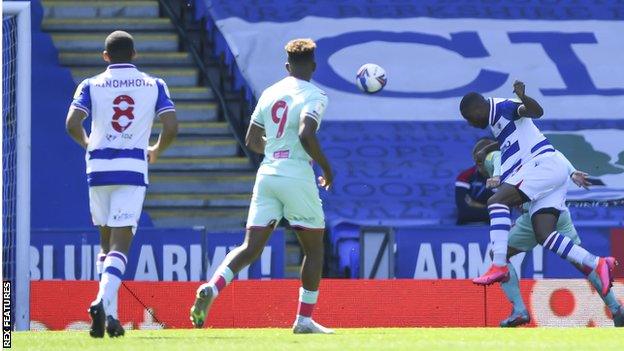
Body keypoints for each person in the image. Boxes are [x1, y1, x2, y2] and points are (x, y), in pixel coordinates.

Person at [190, 38, 334, 334]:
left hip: (268, 172)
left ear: (286, 66)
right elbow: (307, 134)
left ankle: (213, 287)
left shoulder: (270, 92)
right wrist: (327, 168)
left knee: (250, 246)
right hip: (296, 173)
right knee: (314, 248)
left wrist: (277, 146)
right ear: (314, 66)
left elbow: (252, 141)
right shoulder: (315, 94)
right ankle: (303, 320)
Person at [65, 31, 178, 338]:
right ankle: (101, 302)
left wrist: (88, 142)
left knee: (105, 245)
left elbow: (72, 123)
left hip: (98, 169)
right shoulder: (154, 84)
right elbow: (171, 125)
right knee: (120, 245)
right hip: (131, 169)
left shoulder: (90, 84)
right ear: (135, 55)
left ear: (105, 57)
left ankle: (111, 318)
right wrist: (156, 150)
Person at [459, 80, 616, 295]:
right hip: (551, 171)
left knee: (496, 202)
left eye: (469, 118)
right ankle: (598, 263)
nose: (470, 123)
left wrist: (523, 97)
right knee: (544, 235)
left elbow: (535, 111)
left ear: (477, 109)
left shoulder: (504, 107)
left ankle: (499, 265)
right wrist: (570, 170)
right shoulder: (498, 124)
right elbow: (527, 140)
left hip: (541, 169)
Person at [475, 146, 624, 327]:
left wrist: (497, 174)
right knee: (582, 263)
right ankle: (616, 308)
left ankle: (519, 310)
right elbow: (556, 154)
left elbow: (495, 156)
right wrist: (571, 172)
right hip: (559, 212)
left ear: (479, 160)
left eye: (478, 164)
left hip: (536, 217)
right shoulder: (528, 151)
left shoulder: (493, 157)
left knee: (498, 255)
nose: (478, 170)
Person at [455, 138, 496, 224]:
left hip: (491, 226)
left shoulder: (501, 177)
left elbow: (505, 212)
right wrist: (488, 208)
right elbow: (463, 213)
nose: (480, 163)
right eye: (478, 159)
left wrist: (475, 205)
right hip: (465, 227)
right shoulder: (465, 176)